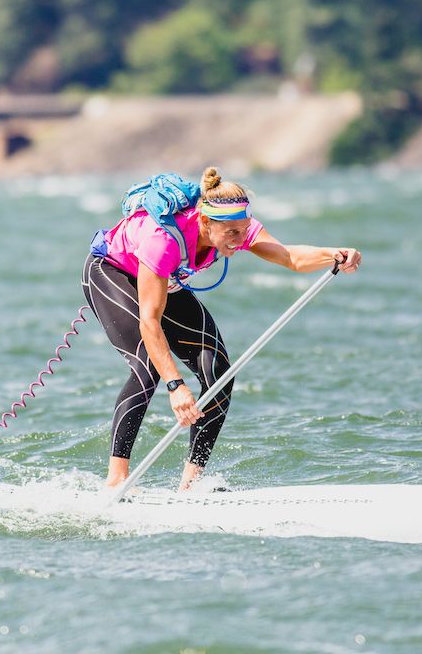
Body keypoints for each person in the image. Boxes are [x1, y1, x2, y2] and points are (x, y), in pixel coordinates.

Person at [81, 166, 361, 490]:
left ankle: (191, 485)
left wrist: (334, 255)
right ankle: (116, 480)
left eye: (244, 231)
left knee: (219, 374)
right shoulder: (164, 242)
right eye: (232, 233)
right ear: (204, 222)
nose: (241, 241)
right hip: (113, 273)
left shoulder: (235, 226)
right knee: (148, 368)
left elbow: (290, 258)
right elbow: (149, 321)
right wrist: (176, 387)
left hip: (165, 281)